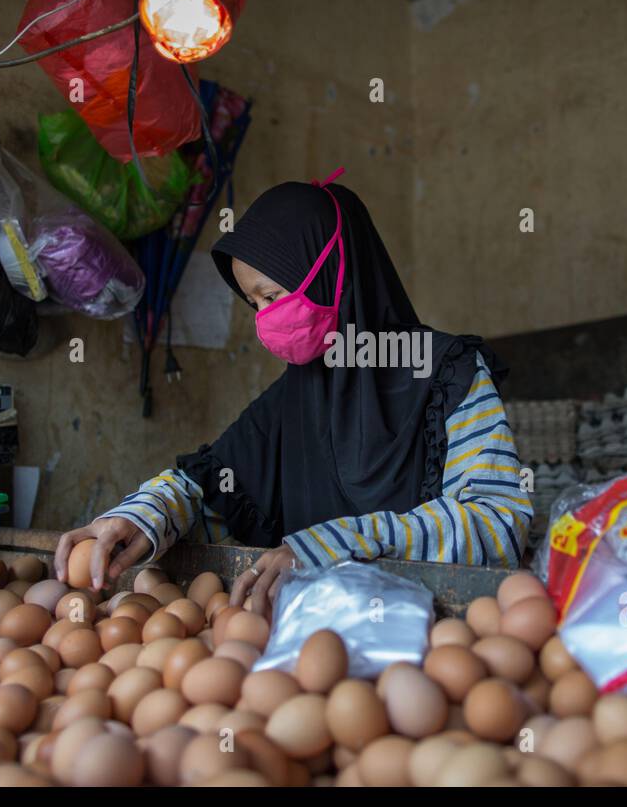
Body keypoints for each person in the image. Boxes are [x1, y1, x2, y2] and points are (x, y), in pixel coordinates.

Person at [54, 168, 532, 616]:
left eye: (272, 296)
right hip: (308, 638)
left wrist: (340, 542)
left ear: (331, 274)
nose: (263, 319)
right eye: (254, 303)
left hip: (432, 630)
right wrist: (142, 515)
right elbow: (210, 486)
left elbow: (498, 523)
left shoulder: (448, 373)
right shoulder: (295, 397)